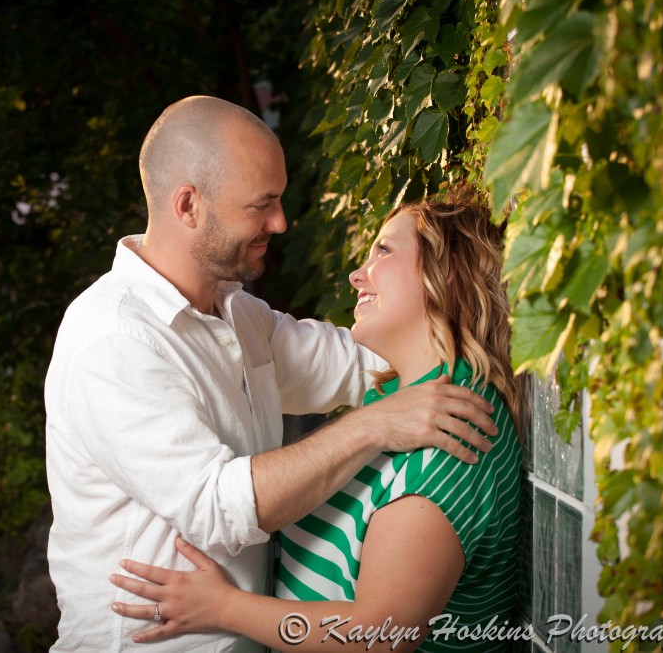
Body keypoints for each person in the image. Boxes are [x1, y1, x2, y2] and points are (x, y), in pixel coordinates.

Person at [45, 96, 499, 652]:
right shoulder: (113, 340)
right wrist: (374, 425)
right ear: (188, 205)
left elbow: (369, 361)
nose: (280, 223)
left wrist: (473, 316)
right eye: (263, 205)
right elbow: (217, 507)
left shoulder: (238, 314)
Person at [110, 197, 523, 652]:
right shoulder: (398, 403)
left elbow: (377, 638)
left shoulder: (452, 432)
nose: (357, 274)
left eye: (384, 251)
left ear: (448, 274)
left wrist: (221, 608)